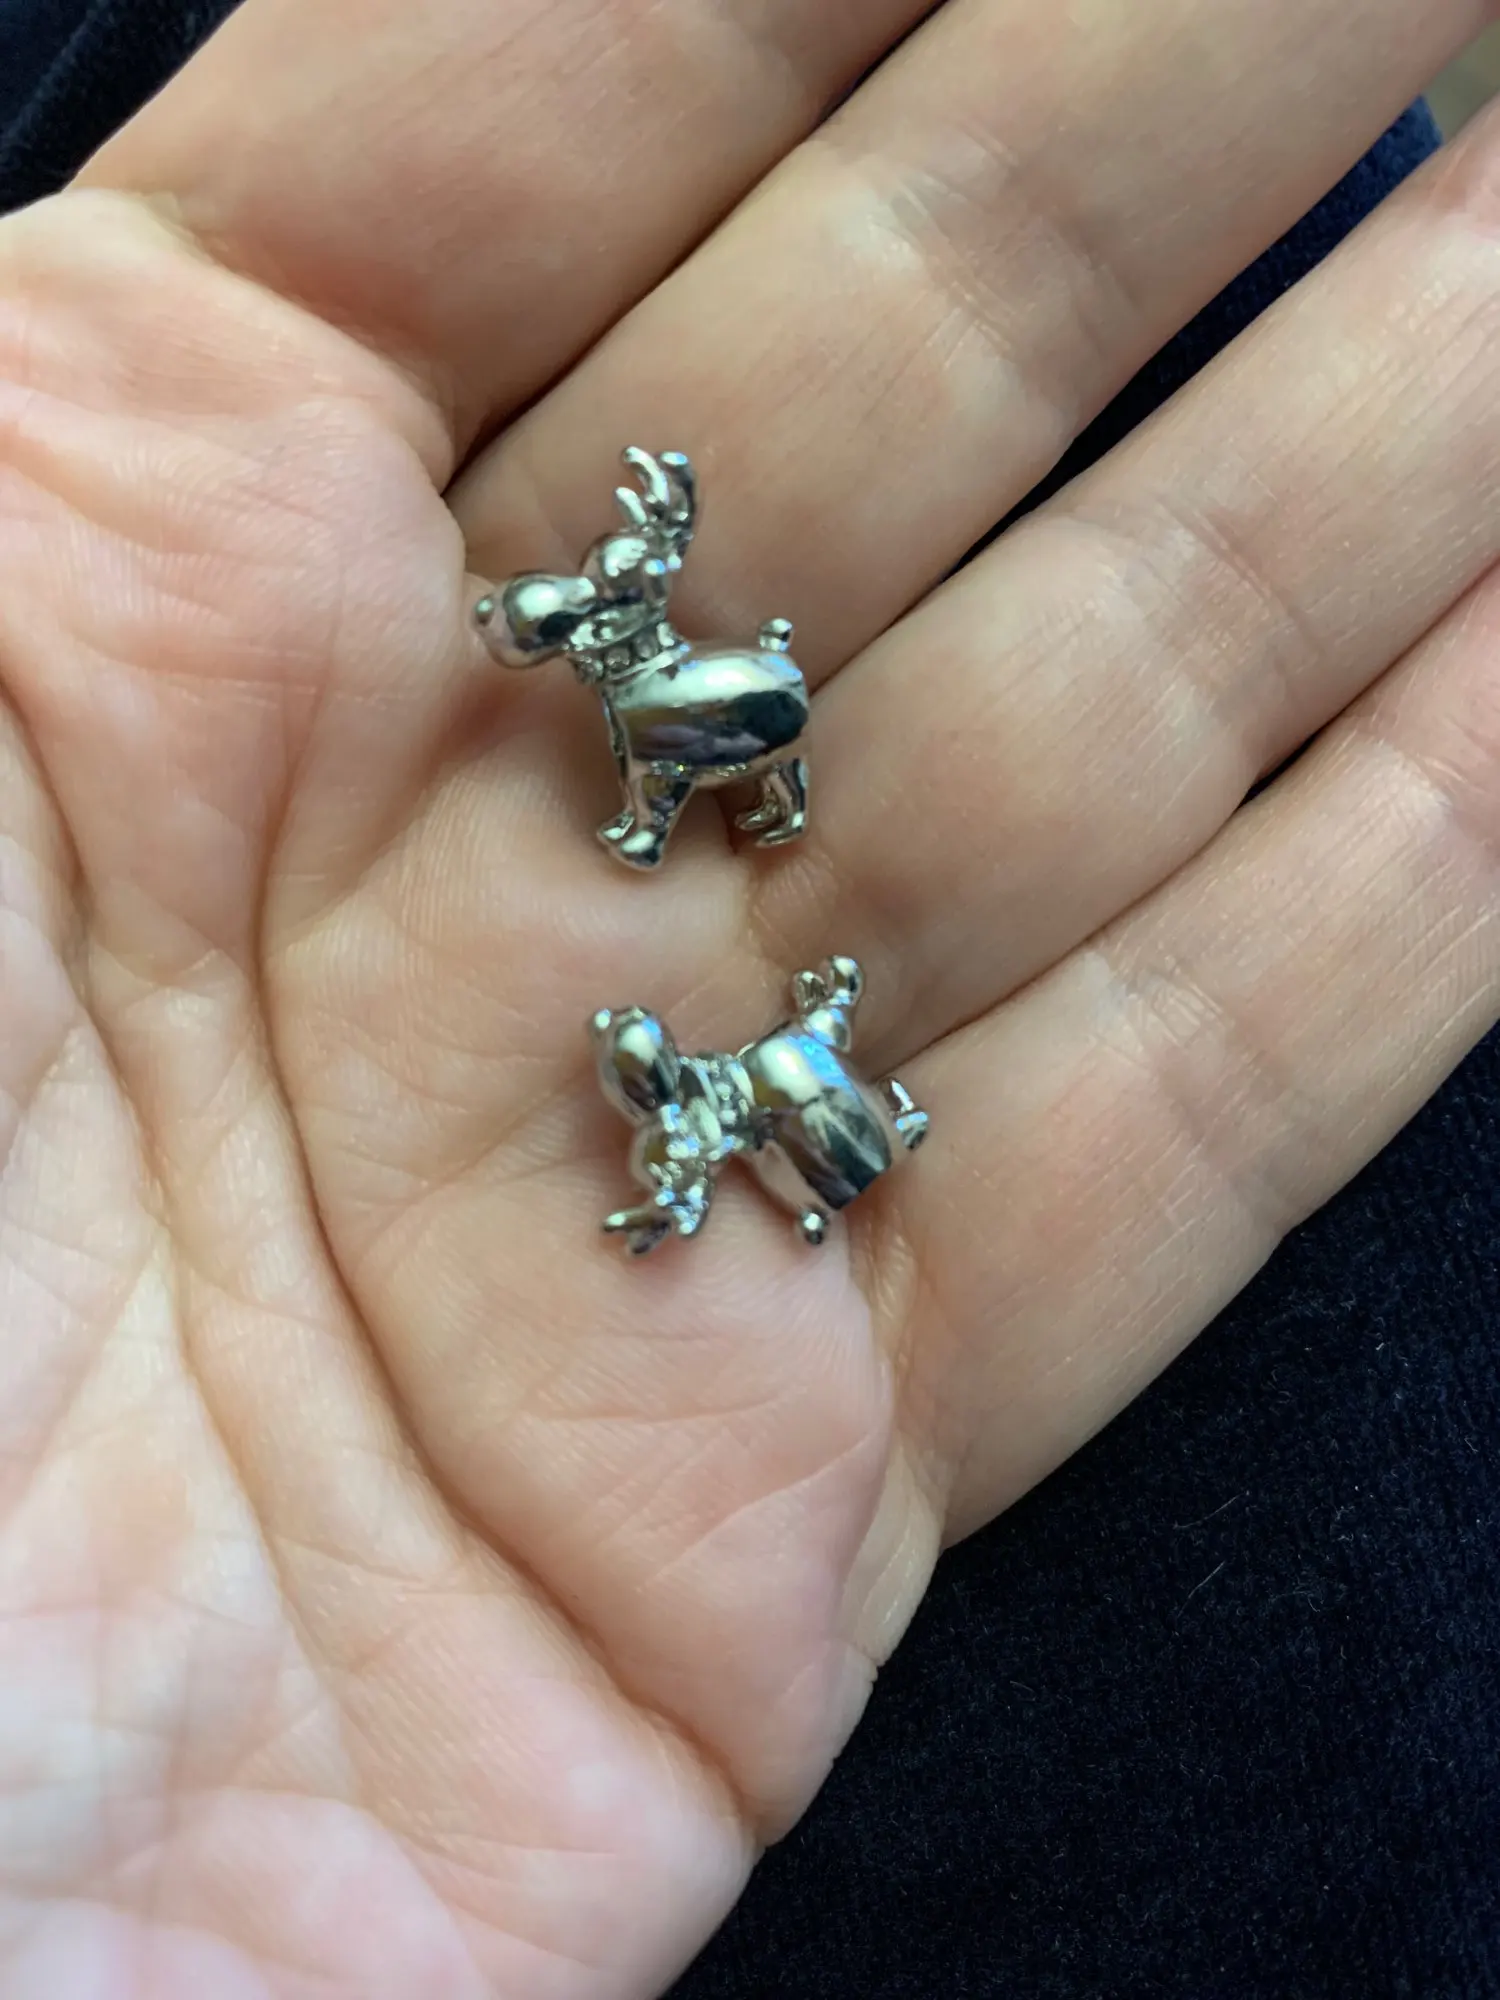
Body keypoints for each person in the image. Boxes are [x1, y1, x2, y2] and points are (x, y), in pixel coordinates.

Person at [0, 3, 1495, 1995]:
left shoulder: (696, 1015)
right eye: (641, 1058)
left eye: (638, 1058)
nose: (630, 1059)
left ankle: (753, 836)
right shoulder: (667, 1044)